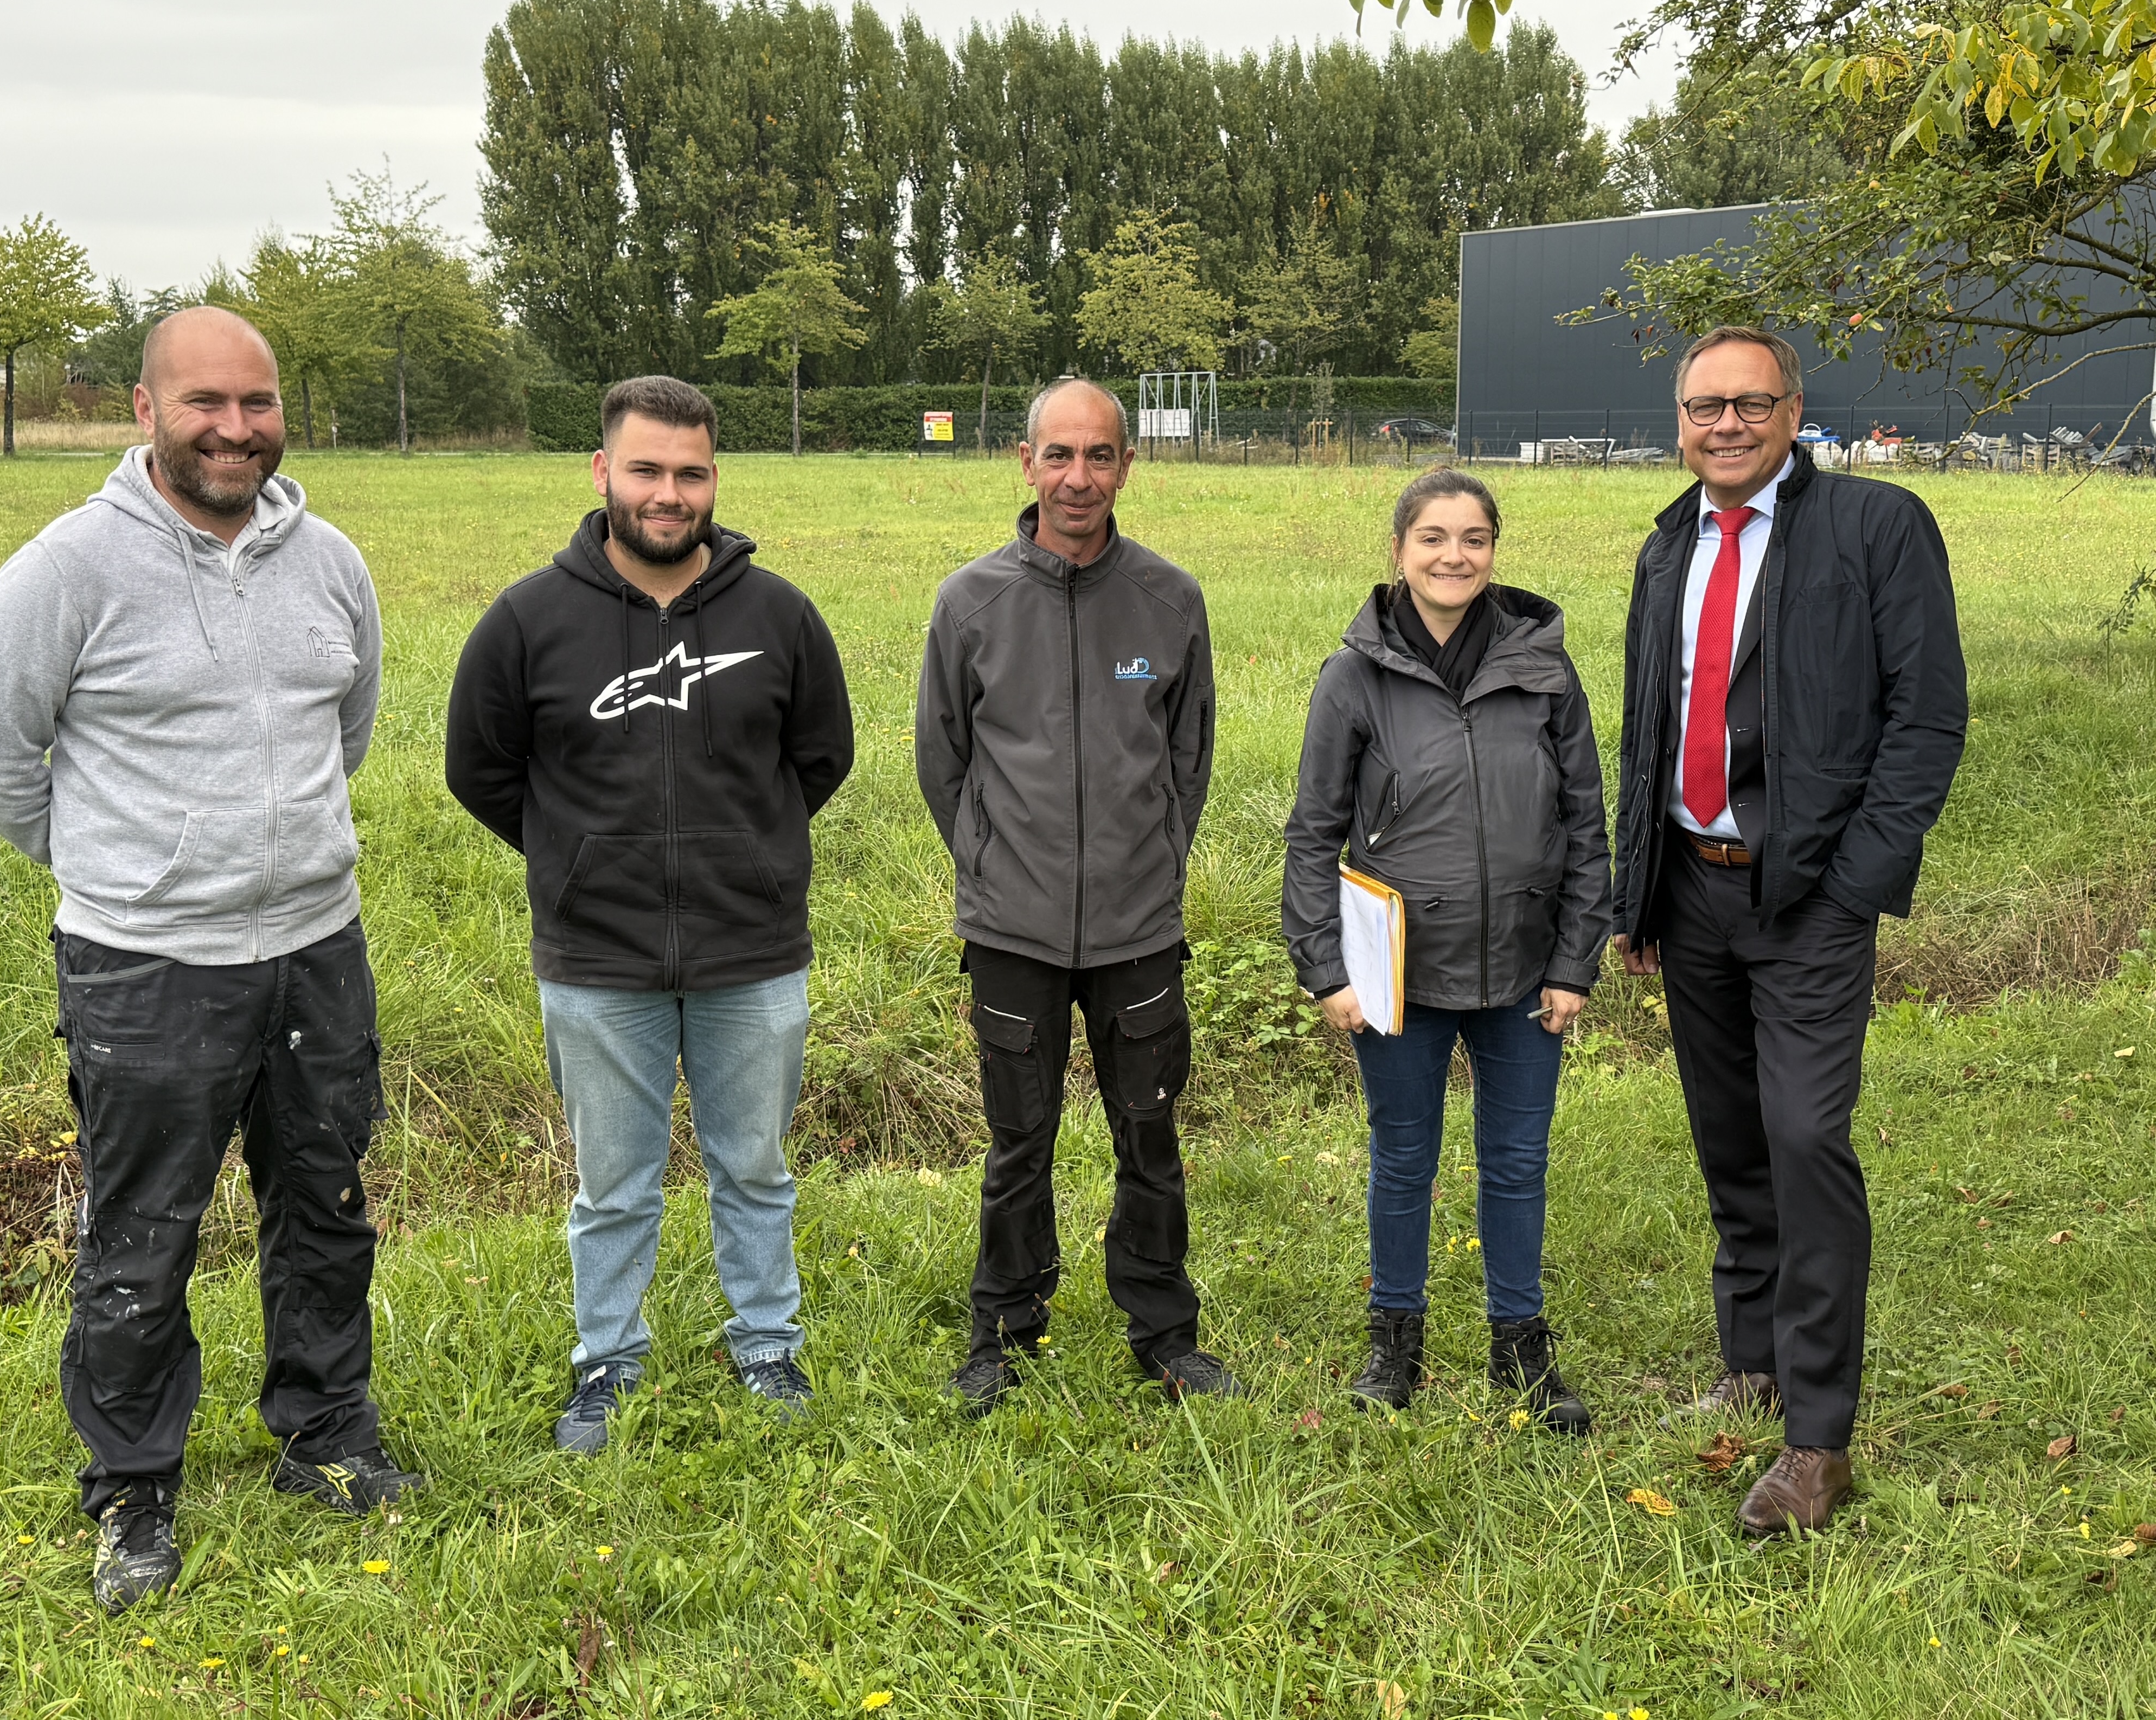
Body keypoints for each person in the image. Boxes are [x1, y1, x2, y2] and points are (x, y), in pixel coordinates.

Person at [0, 307, 421, 1615]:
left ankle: (325, 1433)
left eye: (257, 402)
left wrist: (280, 857)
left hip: (317, 950)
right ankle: (134, 1484)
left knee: (324, 1205)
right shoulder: (66, 570)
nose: (235, 427)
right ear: (143, 411)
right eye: (204, 401)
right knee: (142, 1230)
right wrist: (130, 870)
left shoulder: (330, 562)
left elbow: (350, 732)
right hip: (147, 969)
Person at [444, 376, 855, 1451]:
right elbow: (482, 770)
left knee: (754, 1167)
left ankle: (767, 1345)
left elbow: (821, 756)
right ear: (602, 473)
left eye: (690, 472)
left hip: (751, 953)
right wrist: (582, 860)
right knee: (613, 1184)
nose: (669, 493)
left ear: (715, 476)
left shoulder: (780, 617)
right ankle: (607, 1363)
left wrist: (744, 856)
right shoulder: (529, 620)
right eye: (647, 470)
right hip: (597, 960)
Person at [1608, 325, 1967, 1534]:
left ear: (1794, 408)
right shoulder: (1668, 548)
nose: (1726, 423)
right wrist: (1638, 887)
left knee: (1807, 1136)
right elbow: (1647, 728)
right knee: (1730, 1138)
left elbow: (1927, 720)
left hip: (1809, 896)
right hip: (1692, 893)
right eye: (1705, 404)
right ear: (1680, 420)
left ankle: (1817, 1440)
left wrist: (1855, 882)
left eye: (1750, 402)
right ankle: (1749, 1356)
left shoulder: (1876, 528)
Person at [915, 377, 1236, 1411]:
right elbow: (942, 759)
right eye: (1060, 455)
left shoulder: (1171, 598)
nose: (1079, 477)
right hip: (1013, 929)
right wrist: (996, 864)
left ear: (1128, 466)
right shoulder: (970, 602)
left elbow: (1188, 756)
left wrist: (1147, 862)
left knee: (1151, 1134)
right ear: (1025, 462)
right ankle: (1002, 1330)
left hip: (1140, 931)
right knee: (1020, 1141)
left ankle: (1165, 1329)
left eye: (1100, 456)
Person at [1282, 468, 1612, 1430]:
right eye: (1432, 537)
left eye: (1473, 538)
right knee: (1403, 1157)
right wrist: (1325, 968)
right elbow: (1313, 832)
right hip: (1401, 974)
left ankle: (1521, 1346)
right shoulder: (1355, 676)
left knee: (1516, 1160)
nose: (1453, 556)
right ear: (1398, 552)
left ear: (1494, 551)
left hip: (1523, 969)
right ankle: (1397, 1340)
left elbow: (1585, 824)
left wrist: (1574, 961)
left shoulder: (1545, 669)